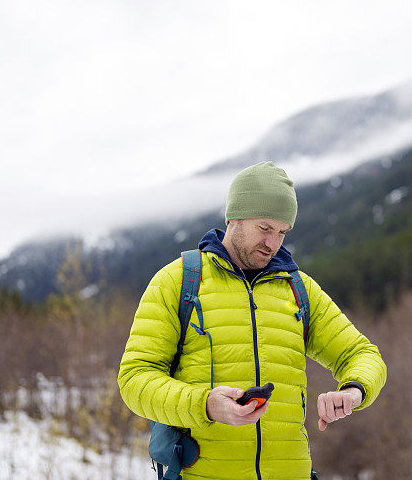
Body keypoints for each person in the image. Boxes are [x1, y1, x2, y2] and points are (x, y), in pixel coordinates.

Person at [118, 161, 387, 480]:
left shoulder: (299, 290)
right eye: (264, 228)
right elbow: (134, 379)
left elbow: (363, 355)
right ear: (234, 217)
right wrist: (205, 404)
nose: (273, 244)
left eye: (282, 232)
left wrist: (354, 391)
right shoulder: (178, 282)